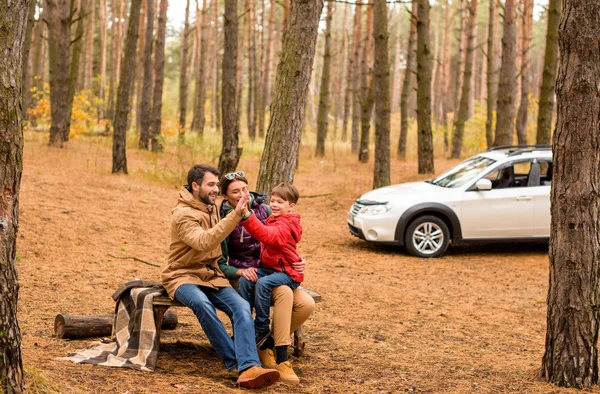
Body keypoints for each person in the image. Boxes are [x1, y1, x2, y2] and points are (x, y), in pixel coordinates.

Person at [161, 164, 279, 389]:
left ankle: (250, 365)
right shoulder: (183, 214)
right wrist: (235, 216)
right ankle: (239, 365)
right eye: (211, 185)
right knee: (202, 304)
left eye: (217, 185)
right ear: (195, 186)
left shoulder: (212, 207)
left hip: (211, 275)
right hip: (182, 275)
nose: (216, 189)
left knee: (242, 307)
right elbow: (204, 241)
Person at [218, 174, 314, 385]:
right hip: (245, 274)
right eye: (235, 191)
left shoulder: (267, 211)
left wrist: (298, 261)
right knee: (284, 293)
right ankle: (279, 356)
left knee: (307, 304)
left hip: (270, 271)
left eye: (244, 189)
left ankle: (266, 343)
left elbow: (282, 240)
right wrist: (239, 271)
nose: (242, 194)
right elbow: (220, 262)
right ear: (224, 195)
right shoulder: (221, 218)